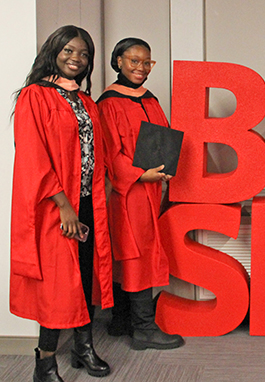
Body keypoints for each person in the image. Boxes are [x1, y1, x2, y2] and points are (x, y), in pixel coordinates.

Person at [11, 25, 113, 381]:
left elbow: (98, 151)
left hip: (89, 201)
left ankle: (83, 348)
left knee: (84, 275)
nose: (76, 58)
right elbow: (33, 156)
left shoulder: (85, 100)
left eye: (84, 54)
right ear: (53, 51)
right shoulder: (34, 96)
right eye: (69, 50)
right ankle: (45, 362)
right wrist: (63, 205)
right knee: (57, 284)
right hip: (56, 205)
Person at [97, 37, 184, 350]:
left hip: (151, 187)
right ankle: (144, 329)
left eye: (146, 62)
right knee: (136, 253)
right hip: (129, 192)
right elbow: (111, 154)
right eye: (134, 60)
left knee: (129, 251)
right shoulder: (109, 102)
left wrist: (167, 166)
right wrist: (139, 175)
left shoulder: (149, 98)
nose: (141, 67)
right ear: (118, 60)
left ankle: (121, 320)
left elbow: (163, 139)